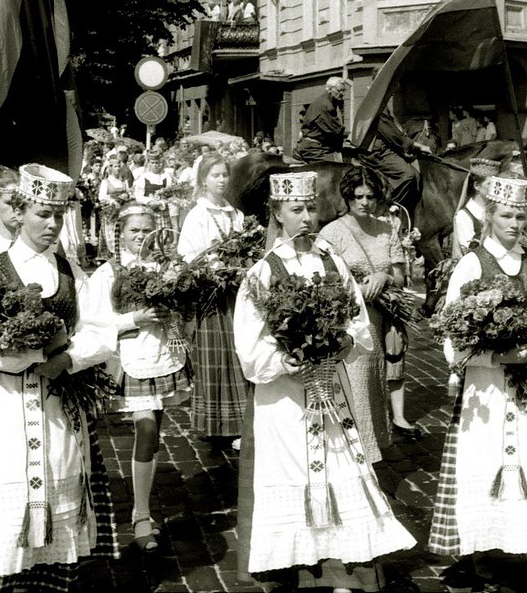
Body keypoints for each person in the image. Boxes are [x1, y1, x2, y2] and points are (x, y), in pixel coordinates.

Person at [233, 170, 415, 591]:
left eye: (312, 208)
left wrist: (343, 341)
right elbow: (250, 349)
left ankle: (344, 575)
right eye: (296, 209)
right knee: (295, 477)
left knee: (338, 472)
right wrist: (284, 361)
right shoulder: (262, 272)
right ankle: (296, 571)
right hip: (284, 405)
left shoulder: (330, 260)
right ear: (277, 215)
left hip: (332, 393)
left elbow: (360, 323)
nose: (307, 218)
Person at [0, 163, 120, 592]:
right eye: (43, 214)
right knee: (9, 480)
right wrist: (24, 355)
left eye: (59, 216)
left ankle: (53, 577)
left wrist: (66, 361)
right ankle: (4, 577)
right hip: (8, 401)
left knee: (59, 468)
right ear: (21, 212)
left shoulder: (67, 272)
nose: (52, 224)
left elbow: (101, 329)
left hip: (59, 401)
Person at [429, 174, 527, 593]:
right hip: (487, 389)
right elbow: (451, 336)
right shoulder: (472, 263)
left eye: (521, 214)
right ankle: (483, 552)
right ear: (490, 217)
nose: (515, 223)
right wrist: (495, 355)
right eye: (506, 215)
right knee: (484, 466)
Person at [94, 203, 192, 554]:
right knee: (146, 428)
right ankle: (141, 514)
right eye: (134, 230)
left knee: (154, 435)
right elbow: (95, 321)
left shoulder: (166, 267)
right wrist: (134, 317)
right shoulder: (109, 272)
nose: (141, 237)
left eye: (147, 229)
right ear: (121, 232)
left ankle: (142, 506)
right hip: (130, 358)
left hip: (163, 357)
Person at [320, 166, 418, 453]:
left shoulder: (386, 229)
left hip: (382, 319)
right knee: (357, 384)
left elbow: (401, 277)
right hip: (352, 322)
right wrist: (357, 289)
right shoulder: (331, 233)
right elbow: (326, 282)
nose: (364, 202)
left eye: (370, 197)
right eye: (358, 196)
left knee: (377, 384)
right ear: (347, 198)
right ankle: (354, 450)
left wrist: (384, 277)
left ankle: (376, 446)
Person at [177, 154, 249, 442]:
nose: (221, 180)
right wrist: (215, 268)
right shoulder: (198, 216)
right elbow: (188, 257)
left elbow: (246, 248)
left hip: (236, 294)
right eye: (215, 175)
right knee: (215, 356)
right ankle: (213, 422)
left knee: (239, 352)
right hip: (210, 295)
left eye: (224, 175)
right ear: (203, 180)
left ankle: (240, 420)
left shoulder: (236, 215)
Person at [361, 106, 430, 217]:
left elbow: (397, 132)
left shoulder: (382, 105)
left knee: (416, 175)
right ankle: (384, 208)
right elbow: (394, 136)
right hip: (378, 153)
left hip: (387, 148)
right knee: (408, 175)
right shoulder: (379, 108)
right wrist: (418, 146)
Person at [292, 76, 350, 163]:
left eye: (343, 90)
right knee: (337, 169)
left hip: (320, 147)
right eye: (339, 90)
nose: (342, 93)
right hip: (315, 150)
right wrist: (352, 136)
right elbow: (336, 131)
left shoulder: (329, 102)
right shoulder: (325, 105)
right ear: (329, 89)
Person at [452, 158, 500, 259]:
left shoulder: (498, 211)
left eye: (496, 185)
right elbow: (468, 253)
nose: (494, 189)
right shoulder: (464, 216)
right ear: (477, 186)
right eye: (489, 184)